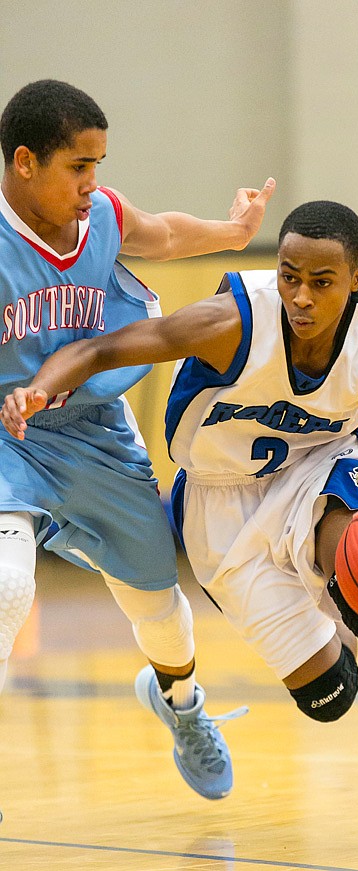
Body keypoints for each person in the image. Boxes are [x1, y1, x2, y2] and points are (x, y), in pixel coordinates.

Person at [2, 200, 358, 853]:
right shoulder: (233, 321)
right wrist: (40, 386)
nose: (301, 296)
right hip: (219, 503)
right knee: (331, 696)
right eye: (289, 276)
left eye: (322, 281)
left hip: (320, 468)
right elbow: (106, 346)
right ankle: (278, 637)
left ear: (357, 277)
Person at [0, 78, 276, 814]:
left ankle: (182, 702)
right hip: (8, 435)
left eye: (98, 164)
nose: (94, 184)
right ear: (24, 162)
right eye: (78, 167)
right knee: (5, 583)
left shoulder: (105, 217)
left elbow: (162, 230)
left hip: (94, 431)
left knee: (157, 600)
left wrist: (229, 230)